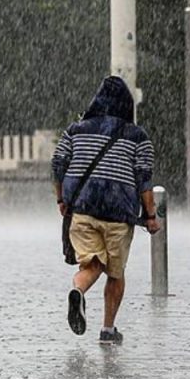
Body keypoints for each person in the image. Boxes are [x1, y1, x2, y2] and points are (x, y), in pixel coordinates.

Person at [52, 76, 161, 345]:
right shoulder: (138, 137)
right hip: (119, 214)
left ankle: (78, 289)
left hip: (83, 209)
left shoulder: (75, 130)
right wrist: (150, 216)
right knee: (115, 272)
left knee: (92, 264)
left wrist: (62, 199)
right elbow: (144, 179)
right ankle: (108, 330)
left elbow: (57, 165)